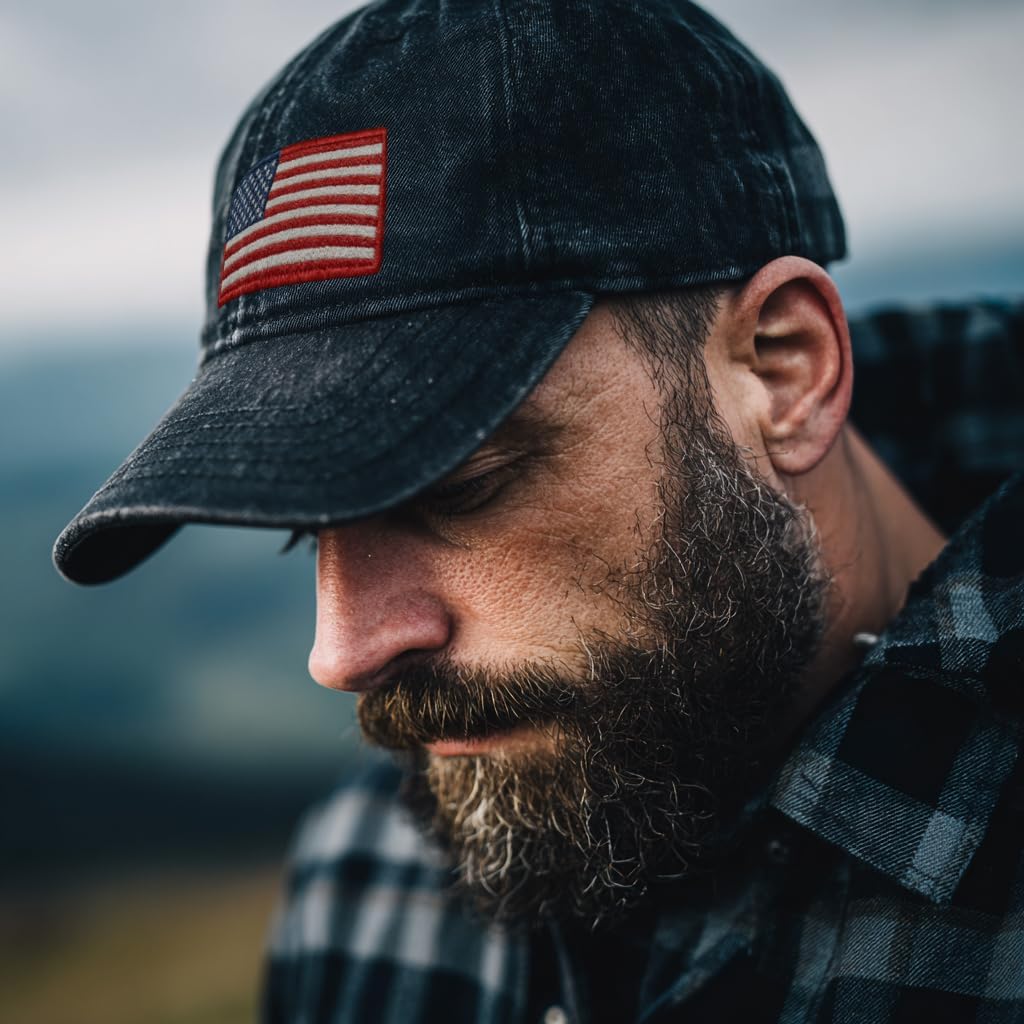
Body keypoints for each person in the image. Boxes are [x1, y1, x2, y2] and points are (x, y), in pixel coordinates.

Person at [54, 0, 1023, 1021]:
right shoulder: (363, 881)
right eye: (307, 527)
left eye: (461, 486)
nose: (340, 652)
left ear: (782, 372)